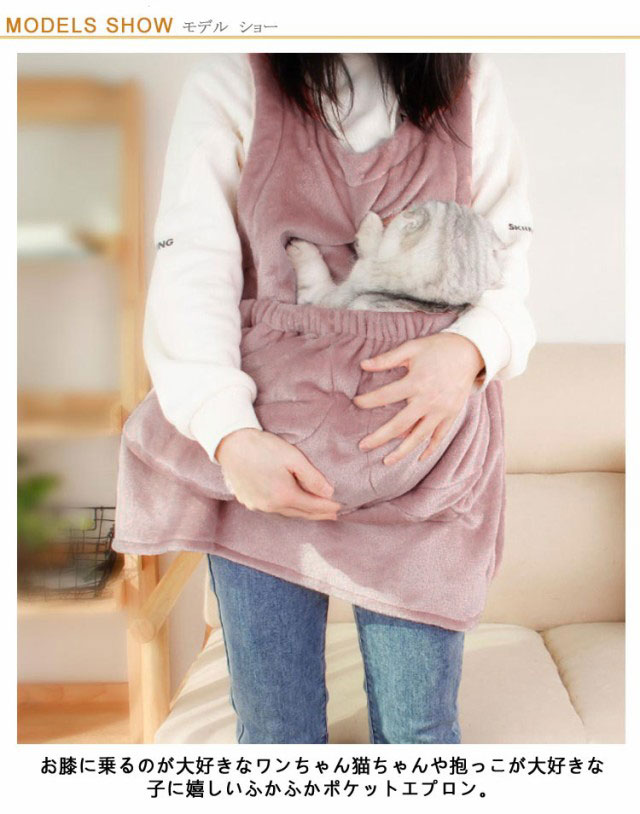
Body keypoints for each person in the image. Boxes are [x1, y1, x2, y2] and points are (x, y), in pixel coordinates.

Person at [130, 53, 536, 744]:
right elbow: (192, 261)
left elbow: (508, 248)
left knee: (419, 733)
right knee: (276, 732)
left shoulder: (467, 77)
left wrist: (471, 348)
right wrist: (229, 434)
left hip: (422, 454)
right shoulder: (232, 76)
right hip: (269, 446)